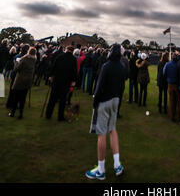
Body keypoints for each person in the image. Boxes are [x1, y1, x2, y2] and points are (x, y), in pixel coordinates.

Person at [86, 43, 125, 180]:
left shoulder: (106, 66)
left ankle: (101, 170)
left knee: (101, 133)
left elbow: (99, 85)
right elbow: (122, 87)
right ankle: (117, 164)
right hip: (115, 100)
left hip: (104, 101)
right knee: (112, 129)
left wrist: (95, 102)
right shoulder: (122, 67)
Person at [45, 45, 77, 121]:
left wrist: (51, 75)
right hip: (66, 82)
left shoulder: (60, 57)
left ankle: (48, 115)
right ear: (72, 51)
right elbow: (74, 72)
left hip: (57, 80)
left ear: (66, 49)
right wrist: (73, 81)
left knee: (52, 98)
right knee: (63, 100)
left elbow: (54, 66)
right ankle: (60, 117)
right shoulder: (73, 59)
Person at [8, 47, 37, 119]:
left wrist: (16, 63)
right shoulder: (34, 60)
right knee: (23, 98)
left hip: (20, 79)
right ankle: (21, 113)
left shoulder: (24, 59)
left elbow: (16, 69)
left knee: (16, 97)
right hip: (28, 80)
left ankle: (13, 112)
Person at [163, 53, 180, 122]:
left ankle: (172, 116)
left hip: (170, 84)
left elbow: (164, 73)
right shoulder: (178, 65)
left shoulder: (167, 64)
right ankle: (179, 117)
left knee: (172, 101)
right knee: (178, 101)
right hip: (177, 84)